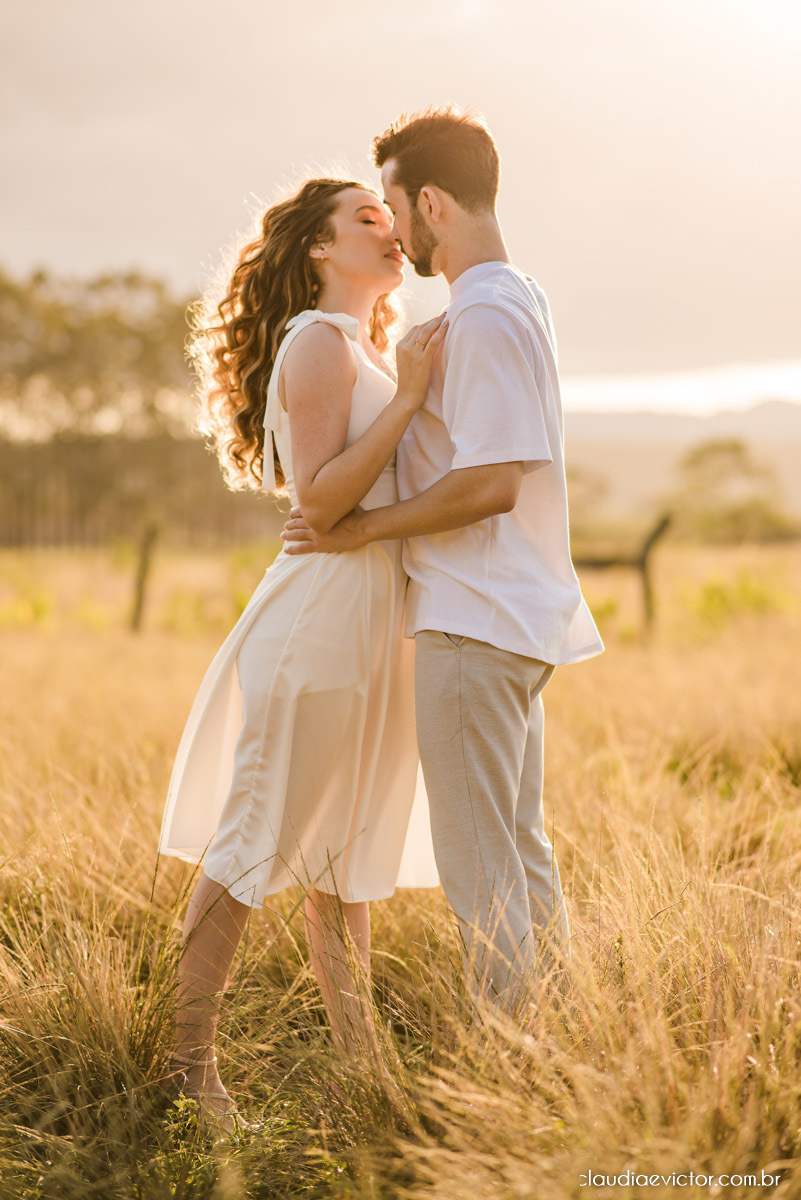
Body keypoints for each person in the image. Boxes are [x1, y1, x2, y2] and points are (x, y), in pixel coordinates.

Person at [282, 109, 604, 1007]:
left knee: (480, 873)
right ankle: (556, 1037)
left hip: (476, 623)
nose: (394, 229)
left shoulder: (488, 315)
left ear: (430, 201)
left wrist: (357, 532)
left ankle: (508, 1067)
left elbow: (492, 483)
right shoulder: (515, 296)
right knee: (519, 851)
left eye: (393, 206)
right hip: (513, 618)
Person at [158, 177, 444, 1131]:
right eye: (367, 219)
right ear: (320, 249)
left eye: (390, 215)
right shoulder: (318, 343)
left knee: (342, 858)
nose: (391, 230)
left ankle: (365, 1074)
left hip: (367, 622)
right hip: (318, 621)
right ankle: (185, 1071)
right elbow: (316, 504)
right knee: (252, 842)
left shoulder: (359, 346)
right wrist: (407, 399)